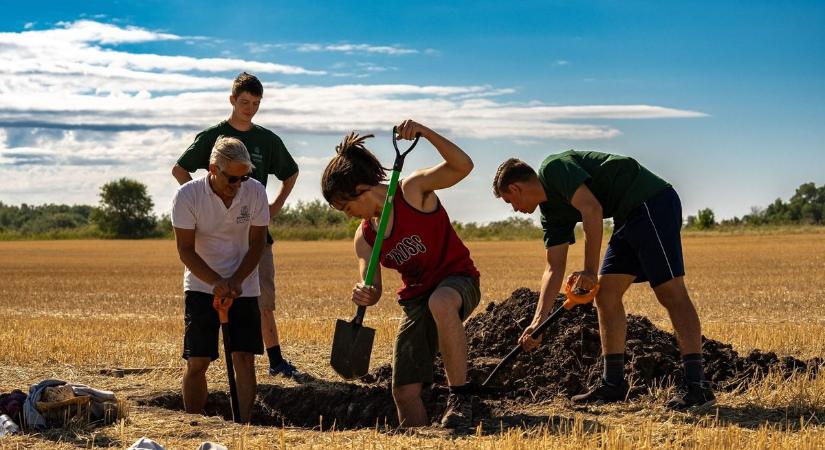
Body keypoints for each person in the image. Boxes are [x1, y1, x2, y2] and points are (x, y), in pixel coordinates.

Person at [492, 151, 715, 409]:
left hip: (651, 202)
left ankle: (698, 386)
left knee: (670, 291)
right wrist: (537, 321)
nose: (515, 210)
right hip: (628, 217)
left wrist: (589, 270)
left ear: (515, 188)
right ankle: (613, 384)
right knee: (606, 293)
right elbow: (554, 267)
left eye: (510, 201)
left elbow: (592, 208)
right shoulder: (551, 213)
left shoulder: (554, 168)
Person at [321, 120, 481, 428]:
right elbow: (372, 286)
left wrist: (426, 132)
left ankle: (459, 397)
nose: (348, 214)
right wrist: (364, 292)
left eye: (346, 207)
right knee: (404, 392)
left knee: (441, 302)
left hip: (458, 280)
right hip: (417, 301)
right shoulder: (365, 236)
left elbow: (463, 166)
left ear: (361, 190)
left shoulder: (412, 190)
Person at [172, 72, 302, 379]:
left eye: (256, 103)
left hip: (254, 231)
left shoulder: (268, 140)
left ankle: (275, 359)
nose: (250, 108)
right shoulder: (212, 136)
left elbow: (291, 172)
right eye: (245, 102)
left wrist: (275, 205)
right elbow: (180, 169)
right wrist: (204, 203)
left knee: (261, 297)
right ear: (232, 100)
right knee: (207, 306)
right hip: (212, 239)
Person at [171, 136, 270, 423]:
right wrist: (216, 281)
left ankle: (244, 426)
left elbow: (258, 243)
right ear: (213, 169)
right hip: (201, 285)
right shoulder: (188, 196)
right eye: (232, 178)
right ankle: (193, 425)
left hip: (244, 285)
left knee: (244, 358)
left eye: (244, 177)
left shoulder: (255, 192)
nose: (238, 184)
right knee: (198, 360)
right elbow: (185, 250)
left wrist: (237, 280)